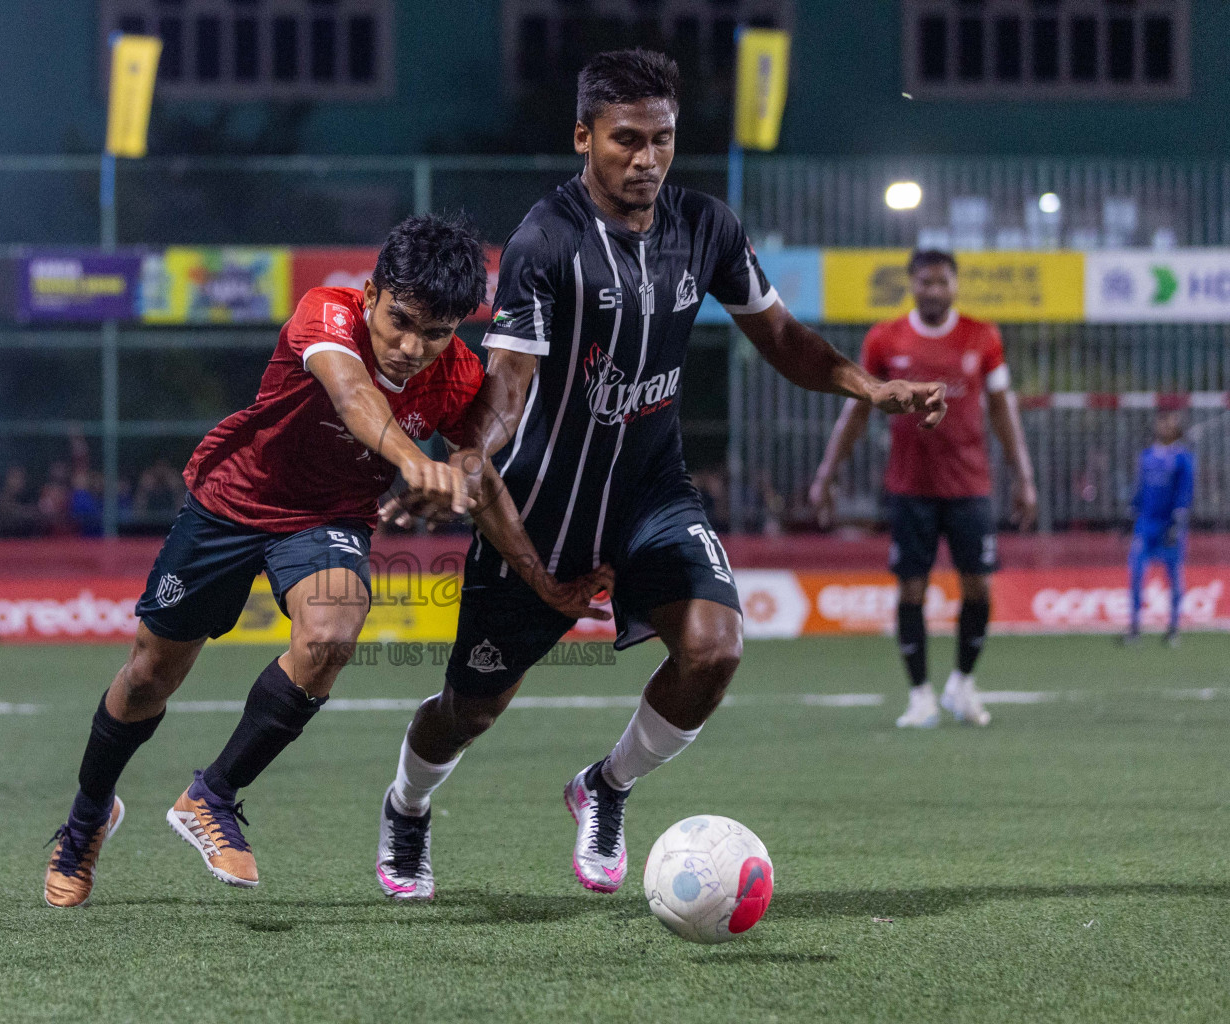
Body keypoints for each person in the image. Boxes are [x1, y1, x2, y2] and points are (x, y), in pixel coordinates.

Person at [371, 50, 947, 902]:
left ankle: (605, 787)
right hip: (543, 512)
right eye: (626, 140)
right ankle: (407, 805)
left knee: (715, 648)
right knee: (471, 708)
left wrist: (869, 386)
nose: (647, 159)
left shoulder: (706, 226)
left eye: (663, 140)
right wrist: (468, 458)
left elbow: (780, 335)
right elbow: (509, 382)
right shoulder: (545, 240)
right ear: (584, 137)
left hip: (653, 492)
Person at [41, 214, 606, 908]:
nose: (410, 347)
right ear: (371, 294)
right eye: (399, 320)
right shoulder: (325, 313)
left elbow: (479, 480)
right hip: (231, 502)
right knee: (150, 676)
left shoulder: (454, 375)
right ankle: (86, 818)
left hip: (328, 519)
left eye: (435, 333)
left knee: (333, 632)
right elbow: (353, 395)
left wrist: (542, 580)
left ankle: (211, 795)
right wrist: (411, 462)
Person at [810, 249, 1036, 729]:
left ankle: (962, 685)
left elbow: (1002, 407)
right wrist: (827, 472)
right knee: (911, 590)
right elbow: (857, 409)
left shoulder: (983, 336)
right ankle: (919, 696)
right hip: (910, 488)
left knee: (978, 587)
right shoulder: (885, 339)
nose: (933, 290)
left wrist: (1025, 475)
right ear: (911, 284)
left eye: (942, 282)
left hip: (970, 486)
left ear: (955, 285)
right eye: (925, 282)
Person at [1122, 411, 1194, 646]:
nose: (1164, 424)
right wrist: (1132, 513)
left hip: (1169, 526)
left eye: (1170, 421)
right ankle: (1134, 627)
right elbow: (1141, 489)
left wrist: (1178, 521)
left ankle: (1173, 628)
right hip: (1146, 525)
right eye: (1162, 420)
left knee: (1173, 577)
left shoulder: (1182, 459)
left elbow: (1185, 494)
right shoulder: (1147, 456)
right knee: (1136, 573)